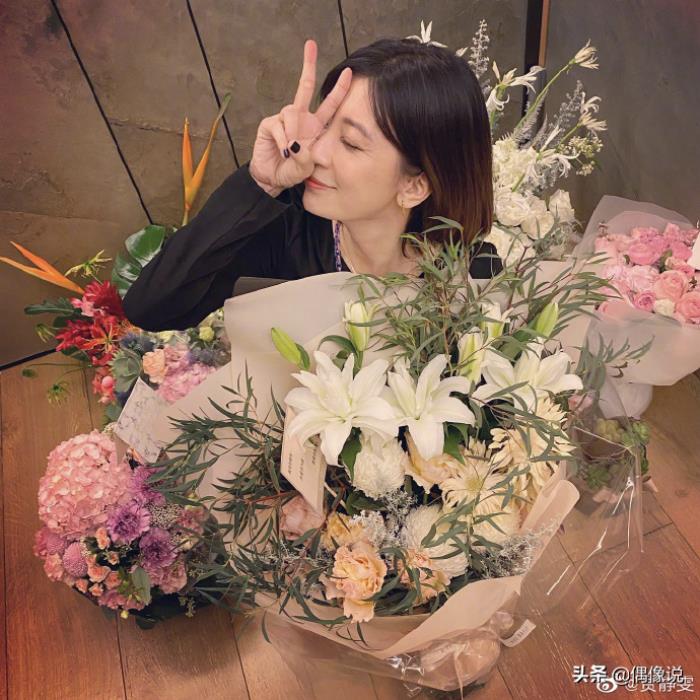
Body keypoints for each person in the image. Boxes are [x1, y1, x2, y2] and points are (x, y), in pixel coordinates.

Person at [123, 38, 501, 332]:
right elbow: (151, 308)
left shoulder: (471, 279)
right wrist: (260, 183)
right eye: (326, 124)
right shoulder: (286, 233)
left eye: (350, 142)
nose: (315, 151)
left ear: (415, 186)